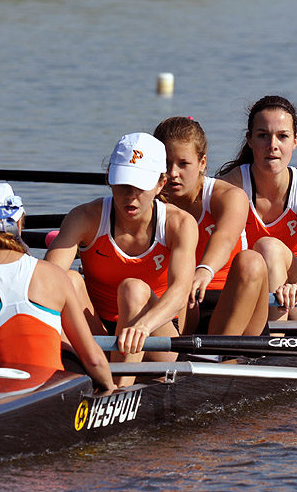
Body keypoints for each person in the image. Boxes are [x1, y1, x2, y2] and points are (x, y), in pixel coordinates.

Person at [46, 133, 197, 383]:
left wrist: (143, 326)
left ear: (161, 183)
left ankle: (117, 390)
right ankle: (57, 376)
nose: (131, 195)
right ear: (110, 179)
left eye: (141, 185)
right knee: (68, 280)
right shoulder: (84, 217)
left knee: (133, 289)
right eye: (124, 183)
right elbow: (48, 280)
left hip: (157, 336)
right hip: (100, 334)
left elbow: (180, 293)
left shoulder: (179, 223)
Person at [0, 182, 116, 392]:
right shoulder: (54, 275)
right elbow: (93, 359)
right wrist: (111, 391)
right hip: (53, 396)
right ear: (19, 223)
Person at [217, 95, 297, 321]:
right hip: (251, 292)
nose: (272, 146)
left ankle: (276, 343)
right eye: (263, 136)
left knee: (268, 247)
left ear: (296, 140)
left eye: (282, 136)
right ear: (249, 140)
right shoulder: (228, 188)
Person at [153, 116, 269, 335]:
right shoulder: (147, 202)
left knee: (252, 261)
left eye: (183, 164)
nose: (173, 173)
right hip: (183, 304)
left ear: (202, 163)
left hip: (233, 298)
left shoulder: (228, 196)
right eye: (166, 164)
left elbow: (225, 238)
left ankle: (224, 358)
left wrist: (204, 270)